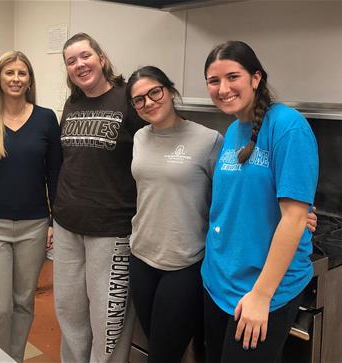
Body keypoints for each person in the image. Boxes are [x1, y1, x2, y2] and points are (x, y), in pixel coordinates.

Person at [201, 40, 319, 362]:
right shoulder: (235, 128)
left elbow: (293, 218)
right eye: (214, 81)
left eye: (232, 77)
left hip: (262, 290)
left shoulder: (287, 127)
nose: (223, 88)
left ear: (256, 78)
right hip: (219, 280)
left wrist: (261, 296)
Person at [52, 33, 146, 363]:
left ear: (101, 58)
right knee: (70, 313)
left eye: (85, 56)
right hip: (66, 225)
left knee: (108, 320)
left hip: (112, 229)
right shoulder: (73, 103)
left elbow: (153, 154)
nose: (79, 64)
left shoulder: (128, 100)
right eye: (71, 60)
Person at [0, 50, 62, 362]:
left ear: (29, 79)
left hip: (34, 226)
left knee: (23, 302)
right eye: (9, 73)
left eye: (22, 73)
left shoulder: (46, 119)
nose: (16, 79)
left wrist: (53, 222)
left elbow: (54, 174)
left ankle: (14, 357)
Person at [126, 66, 223, 362]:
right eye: (139, 99)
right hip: (141, 255)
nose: (149, 102)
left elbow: (232, 194)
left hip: (185, 262)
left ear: (169, 91)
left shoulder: (208, 140)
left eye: (154, 92)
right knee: (159, 345)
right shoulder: (140, 138)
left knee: (162, 355)